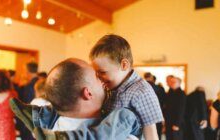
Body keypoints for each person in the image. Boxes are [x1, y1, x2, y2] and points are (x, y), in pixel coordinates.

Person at [12, 34, 163, 140]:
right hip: (106, 125)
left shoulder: (141, 90)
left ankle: (39, 117)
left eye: (102, 73)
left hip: (125, 128)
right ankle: (38, 115)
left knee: (126, 115)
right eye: (97, 75)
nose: (101, 79)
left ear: (124, 65)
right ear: (88, 93)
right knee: (62, 103)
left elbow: (152, 131)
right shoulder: (112, 85)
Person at [10, 58, 140, 140]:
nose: (103, 82)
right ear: (88, 93)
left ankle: (36, 116)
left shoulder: (52, 128)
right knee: (127, 115)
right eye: (97, 77)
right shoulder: (121, 134)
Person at [19, 61, 39, 140]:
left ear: (27, 71)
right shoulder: (40, 82)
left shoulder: (30, 86)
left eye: (24, 70)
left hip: (30, 121)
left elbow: (26, 105)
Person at [144, 72, 165, 140]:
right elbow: (163, 102)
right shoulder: (160, 88)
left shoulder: (141, 87)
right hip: (158, 113)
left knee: (146, 134)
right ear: (152, 78)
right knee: (157, 133)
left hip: (145, 114)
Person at [165, 76, 186, 140]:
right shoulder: (170, 92)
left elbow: (181, 110)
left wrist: (177, 124)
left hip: (176, 123)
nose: (171, 83)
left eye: (174, 82)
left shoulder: (181, 94)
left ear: (179, 83)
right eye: (171, 82)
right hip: (168, 122)